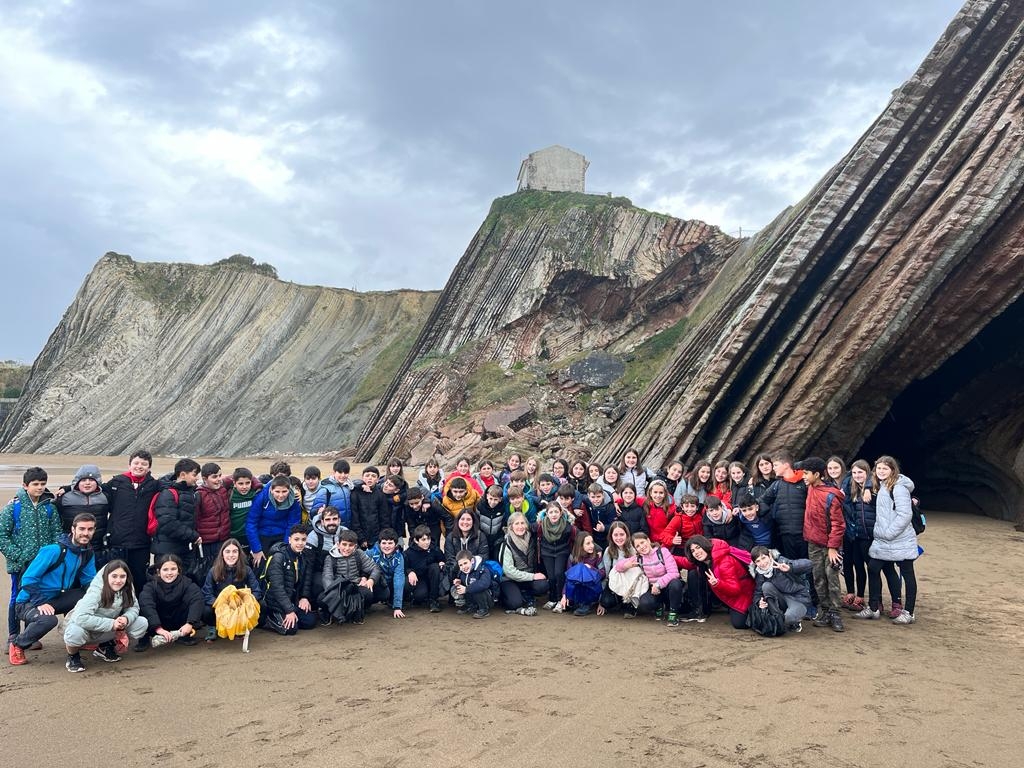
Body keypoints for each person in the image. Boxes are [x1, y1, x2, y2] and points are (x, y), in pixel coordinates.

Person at [8, 513, 97, 665]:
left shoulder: (87, 553)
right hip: (28, 601)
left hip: (57, 598)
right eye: (81, 529)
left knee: (90, 598)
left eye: (90, 529)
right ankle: (17, 644)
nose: (85, 533)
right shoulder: (53, 550)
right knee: (48, 620)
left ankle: (78, 638)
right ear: (73, 529)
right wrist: (40, 602)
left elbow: (89, 581)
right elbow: (28, 579)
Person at [856, 456, 920, 625]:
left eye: (885, 468)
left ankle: (909, 612)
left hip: (899, 538)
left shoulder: (898, 488)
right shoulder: (882, 485)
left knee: (907, 573)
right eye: (879, 469)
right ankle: (874, 607)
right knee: (873, 568)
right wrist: (869, 486)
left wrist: (889, 533)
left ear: (893, 470)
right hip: (884, 539)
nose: (881, 471)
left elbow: (905, 514)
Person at [1, 466, 61, 645]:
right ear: (25, 485)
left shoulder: (49, 508)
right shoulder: (14, 508)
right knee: (16, 597)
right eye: (35, 484)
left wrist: (51, 557)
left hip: (42, 565)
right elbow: (2, 534)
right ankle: (13, 635)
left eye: (43, 484)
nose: (40, 487)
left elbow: (56, 533)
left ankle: (30, 634)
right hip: (20, 564)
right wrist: (18, 555)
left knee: (35, 597)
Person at [62, 559, 147, 671]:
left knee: (141, 623)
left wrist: (126, 618)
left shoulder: (127, 588)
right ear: (106, 576)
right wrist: (112, 624)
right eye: (114, 576)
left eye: (122, 576)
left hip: (107, 627)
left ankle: (105, 646)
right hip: (85, 628)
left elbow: (134, 607)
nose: (118, 580)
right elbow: (80, 618)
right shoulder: (95, 592)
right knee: (75, 632)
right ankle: (73, 656)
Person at [795, 457, 846, 632]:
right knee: (818, 578)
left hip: (830, 547)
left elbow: (839, 524)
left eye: (806, 473)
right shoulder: (810, 488)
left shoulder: (830, 495)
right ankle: (825, 611)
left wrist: (833, 548)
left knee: (831, 578)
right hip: (813, 543)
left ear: (817, 474)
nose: (803, 476)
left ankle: (835, 613)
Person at [103, 450, 161, 594]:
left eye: (144, 464)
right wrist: (67, 488)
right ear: (129, 465)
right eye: (136, 463)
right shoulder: (116, 482)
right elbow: (94, 488)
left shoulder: (154, 485)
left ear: (149, 467)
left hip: (141, 543)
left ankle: (138, 610)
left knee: (139, 580)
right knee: (116, 580)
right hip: (117, 542)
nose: (139, 466)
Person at [676, 535, 755, 629]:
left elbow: (735, 589)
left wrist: (718, 583)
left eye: (698, 547)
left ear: (705, 546)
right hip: (724, 592)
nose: (696, 552)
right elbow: (686, 562)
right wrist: (665, 556)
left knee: (739, 623)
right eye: (693, 551)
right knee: (694, 573)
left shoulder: (724, 561)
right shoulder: (705, 560)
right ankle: (699, 610)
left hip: (744, 595)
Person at [614, 532, 684, 626]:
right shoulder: (639, 559)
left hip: (668, 586)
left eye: (642, 542)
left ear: (648, 540)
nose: (642, 547)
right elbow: (618, 567)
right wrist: (627, 565)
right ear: (636, 550)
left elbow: (674, 573)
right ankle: (658, 606)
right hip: (653, 589)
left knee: (676, 584)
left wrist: (658, 584)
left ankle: (673, 613)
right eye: (638, 546)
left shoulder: (663, 552)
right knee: (644, 604)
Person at [137, 554, 204, 650]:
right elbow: (146, 604)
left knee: (195, 600)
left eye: (173, 569)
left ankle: (183, 635)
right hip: (157, 623)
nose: (169, 573)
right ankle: (144, 638)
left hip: (179, 622)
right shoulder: (150, 586)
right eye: (165, 569)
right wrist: (158, 628)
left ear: (178, 570)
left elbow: (197, 599)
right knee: (143, 606)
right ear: (158, 571)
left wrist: (190, 623)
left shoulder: (187, 583)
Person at [201, 539, 263, 641]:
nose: (231, 555)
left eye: (235, 551)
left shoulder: (246, 569)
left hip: (239, 604)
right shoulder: (213, 570)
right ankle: (213, 627)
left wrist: (245, 603)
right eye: (227, 551)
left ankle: (242, 627)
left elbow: (257, 591)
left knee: (262, 604)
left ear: (239, 554)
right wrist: (220, 604)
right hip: (220, 604)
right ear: (222, 554)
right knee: (206, 610)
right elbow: (206, 593)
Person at [262, 524, 317, 634]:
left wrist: (304, 597)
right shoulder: (278, 557)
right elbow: (277, 588)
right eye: (296, 539)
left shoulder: (305, 555)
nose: (300, 543)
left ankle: (289, 614)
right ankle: (267, 619)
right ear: (289, 540)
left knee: (310, 621)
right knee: (290, 629)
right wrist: (289, 610)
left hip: (293, 599)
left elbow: (306, 580)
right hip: (274, 601)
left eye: (303, 540)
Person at [321, 529, 381, 623]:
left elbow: (375, 569)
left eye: (350, 545)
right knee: (321, 599)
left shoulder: (359, 554)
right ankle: (332, 613)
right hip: (338, 588)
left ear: (355, 546)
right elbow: (327, 577)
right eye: (344, 544)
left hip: (355, 586)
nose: (347, 548)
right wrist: (334, 592)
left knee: (368, 593)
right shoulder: (330, 557)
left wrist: (371, 580)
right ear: (338, 544)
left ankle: (357, 611)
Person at [840, 460, 877, 612]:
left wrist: (868, 486)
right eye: (854, 472)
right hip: (848, 531)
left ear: (867, 473)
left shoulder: (872, 486)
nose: (857, 475)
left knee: (860, 564)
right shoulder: (849, 484)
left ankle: (860, 596)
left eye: (860, 472)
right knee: (847, 563)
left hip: (863, 533)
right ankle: (850, 593)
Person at [151, 458, 202, 569]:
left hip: (183, 549)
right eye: (194, 474)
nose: (197, 478)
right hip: (168, 552)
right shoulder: (168, 494)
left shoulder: (191, 492)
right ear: (183, 475)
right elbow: (167, 523)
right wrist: (193, 536)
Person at [749, 546, 813, 633]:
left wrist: (790, 568)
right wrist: (759, 602)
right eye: (758, 561)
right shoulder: (759, 573)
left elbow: (809, 564)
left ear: (770, 556)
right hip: (781, 600)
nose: (762, 563)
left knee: (788, 618)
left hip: (798, 599)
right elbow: (758, 593)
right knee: (766, 586)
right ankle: (777, 617)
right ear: (755, 563)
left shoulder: (781, 562)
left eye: (763, 558)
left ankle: (792, 622)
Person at [497, 512, 548, 614]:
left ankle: (526, 594)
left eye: (522, 523)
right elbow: (509, 571)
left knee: (543, 585)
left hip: (527, 578)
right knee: (514, 604)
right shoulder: (506, 544)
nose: (520, 527)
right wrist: (533, 576)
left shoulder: (532, 539)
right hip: (510, 579)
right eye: (516, 524)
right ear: (511, 527)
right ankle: (508, 596)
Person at [246, 476, 303, 567]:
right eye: (277, 491)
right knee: (260, 564)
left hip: (282, 535)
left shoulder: (294, 500)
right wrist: (256, 549)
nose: (281, 495)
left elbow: (292, 525)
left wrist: (285, 548)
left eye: (284, 491)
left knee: (281, 563)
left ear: (289, 490)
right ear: (271, 490)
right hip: (262, 535)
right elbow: (251, 523)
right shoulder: (261, 497)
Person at [55, 464, 109, 549]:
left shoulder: (106, 497)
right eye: (83, 480)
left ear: (97, 482)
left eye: (91, 480)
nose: (87, 483)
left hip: (98, 546)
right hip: (71, 546)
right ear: (77, 482)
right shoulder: (64, 497)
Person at [303, 506, 343, 619]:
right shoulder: (313, 537)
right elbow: (308, 568)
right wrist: (305, 596)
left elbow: (358, 559)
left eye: (334, 519)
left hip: (341, 571)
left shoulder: (345, 532)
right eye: (328, 519)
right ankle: (322, 608)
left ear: (339, 520)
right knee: (319, 586)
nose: (332, 522)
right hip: (319, 572)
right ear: (322, 521)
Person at [537, 501, 574, 611]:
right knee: (551, 576)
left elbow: (580, 536)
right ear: (547, 514)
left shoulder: (567, 526)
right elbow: (528, 529)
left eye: (556, 512)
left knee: (559, 574)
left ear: (561, 513)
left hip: (562, 551)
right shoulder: (541, 525)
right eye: (551, 512)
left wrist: (597, 548)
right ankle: (552, 598)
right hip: (547, 552)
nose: (554, 514)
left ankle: (559, 599)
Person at [558, 532, 604, 616]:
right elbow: (569, 577)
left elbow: (603, 573)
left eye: (592, 542)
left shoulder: (597, 556)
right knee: (576, 572)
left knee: (582, 568)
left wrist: (590, 568)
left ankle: (586, 604)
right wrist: (564, 595)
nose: (592, 546)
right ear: (580, 545)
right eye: (588, 543)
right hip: (577, 588)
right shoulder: (573, 557)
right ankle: (573, 601)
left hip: (592, 587)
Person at [598, 521, 637, 616]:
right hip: (614, 583)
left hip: (630, 584)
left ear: (627, 535)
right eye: (615, 535)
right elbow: (606, 575)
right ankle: (618, 601)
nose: (619, 538)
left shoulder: (633, 549)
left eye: (622, 534)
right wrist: (601, 601)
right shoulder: (608, 551)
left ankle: (630, 605)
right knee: (606, 601)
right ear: (611, 536)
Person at [366, 529, 406, 618]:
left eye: (390, 543)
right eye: (384, 543)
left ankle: (393, 601)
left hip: (391, 584)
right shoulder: (372, 553)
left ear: (395, 544)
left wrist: (397, 607)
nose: (387, 546)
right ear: (379, 543)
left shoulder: (399, 558)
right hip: (377, 583)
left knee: (403, 584)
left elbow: (398, 580)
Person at [404, 525, 445, 612]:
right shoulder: (408, 552)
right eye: (423, 540)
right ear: (416, 540)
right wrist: (410, 571)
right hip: (419, 579)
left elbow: (443, 559)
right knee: (420, 596)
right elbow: (404, 566)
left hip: (433, 578)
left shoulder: (435, 549)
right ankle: (412, 597)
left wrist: (442, 563)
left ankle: (434, 601)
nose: (427, 542)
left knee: (435, 566)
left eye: (428, 539)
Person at [351, 466, 390, 550]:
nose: (370, 478)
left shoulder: (380, 495)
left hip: (376, 537)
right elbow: (355, 518)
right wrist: (361, 538)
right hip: (360, 536)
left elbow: (384, 518)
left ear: (377, 479)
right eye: (367, 475)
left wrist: (381, 537)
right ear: (362, 477)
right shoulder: (355, 493)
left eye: (373, 476)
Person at [444, 510, 490, 580]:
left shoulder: (480, 536)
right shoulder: (451, 537)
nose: (465, 522)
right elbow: (449, 558)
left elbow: (484, 556)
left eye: (468, 519)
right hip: (456, 573)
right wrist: (462, 569)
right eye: (462, 519)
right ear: (458, 521)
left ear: (473, 522)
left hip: (475, 574)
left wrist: (469, 566)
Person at [310, 460, 353, 526]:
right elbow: (313, 512)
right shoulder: (325, 489)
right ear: (334, 472)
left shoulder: (349, 487)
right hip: (331, 527)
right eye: (340, 472)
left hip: (348, 528)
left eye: (346, 473)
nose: (343, 475)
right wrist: (318, 511)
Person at [452, 550, 493, 619]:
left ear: (472, 561)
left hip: (487, 598)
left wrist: (466, 589)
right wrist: (459, 582)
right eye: (461, 565)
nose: (463, 567)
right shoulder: (461, 572)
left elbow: (484, 584)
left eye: (465, 563)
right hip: (472, 597)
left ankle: (484, 609)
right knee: (455, 588)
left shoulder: (482, 569)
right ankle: (470, 606)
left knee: (477, 587)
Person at [228, 467, 260, 548]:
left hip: (252, 535)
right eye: (241, 484)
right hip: (234, 536)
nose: (244, 487)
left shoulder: (256, 493)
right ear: (234, 483)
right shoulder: (229, 495)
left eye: (247, 483)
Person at [476, 484, 508, 558]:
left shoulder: (502, 508)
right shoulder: (480, 506)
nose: (492, 502)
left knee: (496, 558)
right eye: (491, 498)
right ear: (487, 496)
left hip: (497, 538)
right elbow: (477, 522)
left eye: (496, 499)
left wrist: (500, 536)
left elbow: (503, 523)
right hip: (483, 538)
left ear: (500, 499)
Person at [582, 483, 616, 549]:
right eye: (593, 497)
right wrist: (576, 506)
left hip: (607, 537)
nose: (596, 500)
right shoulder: (587, 501)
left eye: (598, 496)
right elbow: (577, 494)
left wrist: (604, 528)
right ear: (588, 496)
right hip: (593, 536)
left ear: (603, 495)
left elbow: (614, 525)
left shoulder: (610, 507)